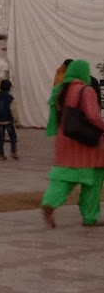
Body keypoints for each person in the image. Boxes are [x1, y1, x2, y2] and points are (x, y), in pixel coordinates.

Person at [41, 58, 104, 229]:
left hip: (64, 140)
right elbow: (92, 116)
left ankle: (50, 202)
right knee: (93, 181)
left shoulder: (59, 90)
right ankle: (90, 217)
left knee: (62, 177)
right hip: (87, 143)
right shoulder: (86, 90)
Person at [0, 78, 20, 161]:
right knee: (12, 136)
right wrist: (17, 122)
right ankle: (13, 151)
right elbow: (13, 110)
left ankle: (1, 154)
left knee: (0, 137)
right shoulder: (11, 98)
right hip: (8, 120)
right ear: (9, 88)